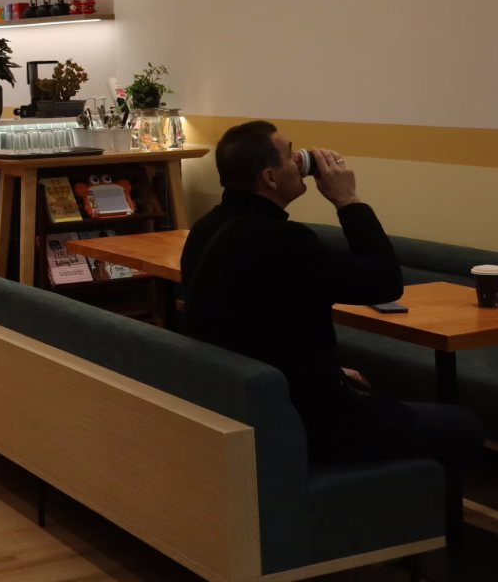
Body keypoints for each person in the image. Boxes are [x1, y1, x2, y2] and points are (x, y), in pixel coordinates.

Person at [181, 120, 482, 474]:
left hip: (240, 403)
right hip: (311, 423)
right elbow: (384, 282)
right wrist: (347, 200)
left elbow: (252, 323)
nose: (301, 160)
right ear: (270, 178)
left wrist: (329, 371)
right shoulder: (283, 241)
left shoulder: (206, 228)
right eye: (291, 155)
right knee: (463, 425)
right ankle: (400, 506)